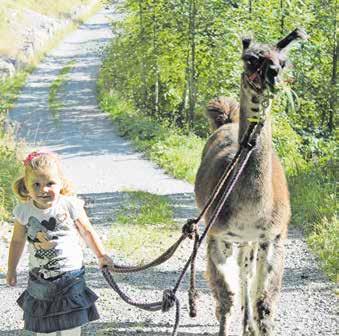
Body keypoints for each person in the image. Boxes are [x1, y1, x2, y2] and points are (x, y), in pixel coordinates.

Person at [6, 150, 113, 336]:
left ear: (61, 182)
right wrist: (11, 269)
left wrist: (101, 255)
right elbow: (16, 241)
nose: (43, 189)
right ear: (26, 186)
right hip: (40, 278)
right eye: (36, 184)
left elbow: (87, 232)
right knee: (43, 326)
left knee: (71, 326)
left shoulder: (70, 205)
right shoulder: (23, 212)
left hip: (71, 276)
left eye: (50, 183)